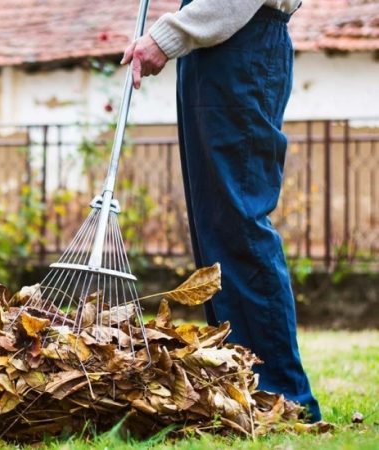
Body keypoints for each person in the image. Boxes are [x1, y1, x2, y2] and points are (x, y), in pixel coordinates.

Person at [121, 0, 321, 422]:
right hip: (216, 50)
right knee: (215, 228)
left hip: (241, 43)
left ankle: (283, 396)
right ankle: (240, 386)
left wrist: (168, 33)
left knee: (239, 224)